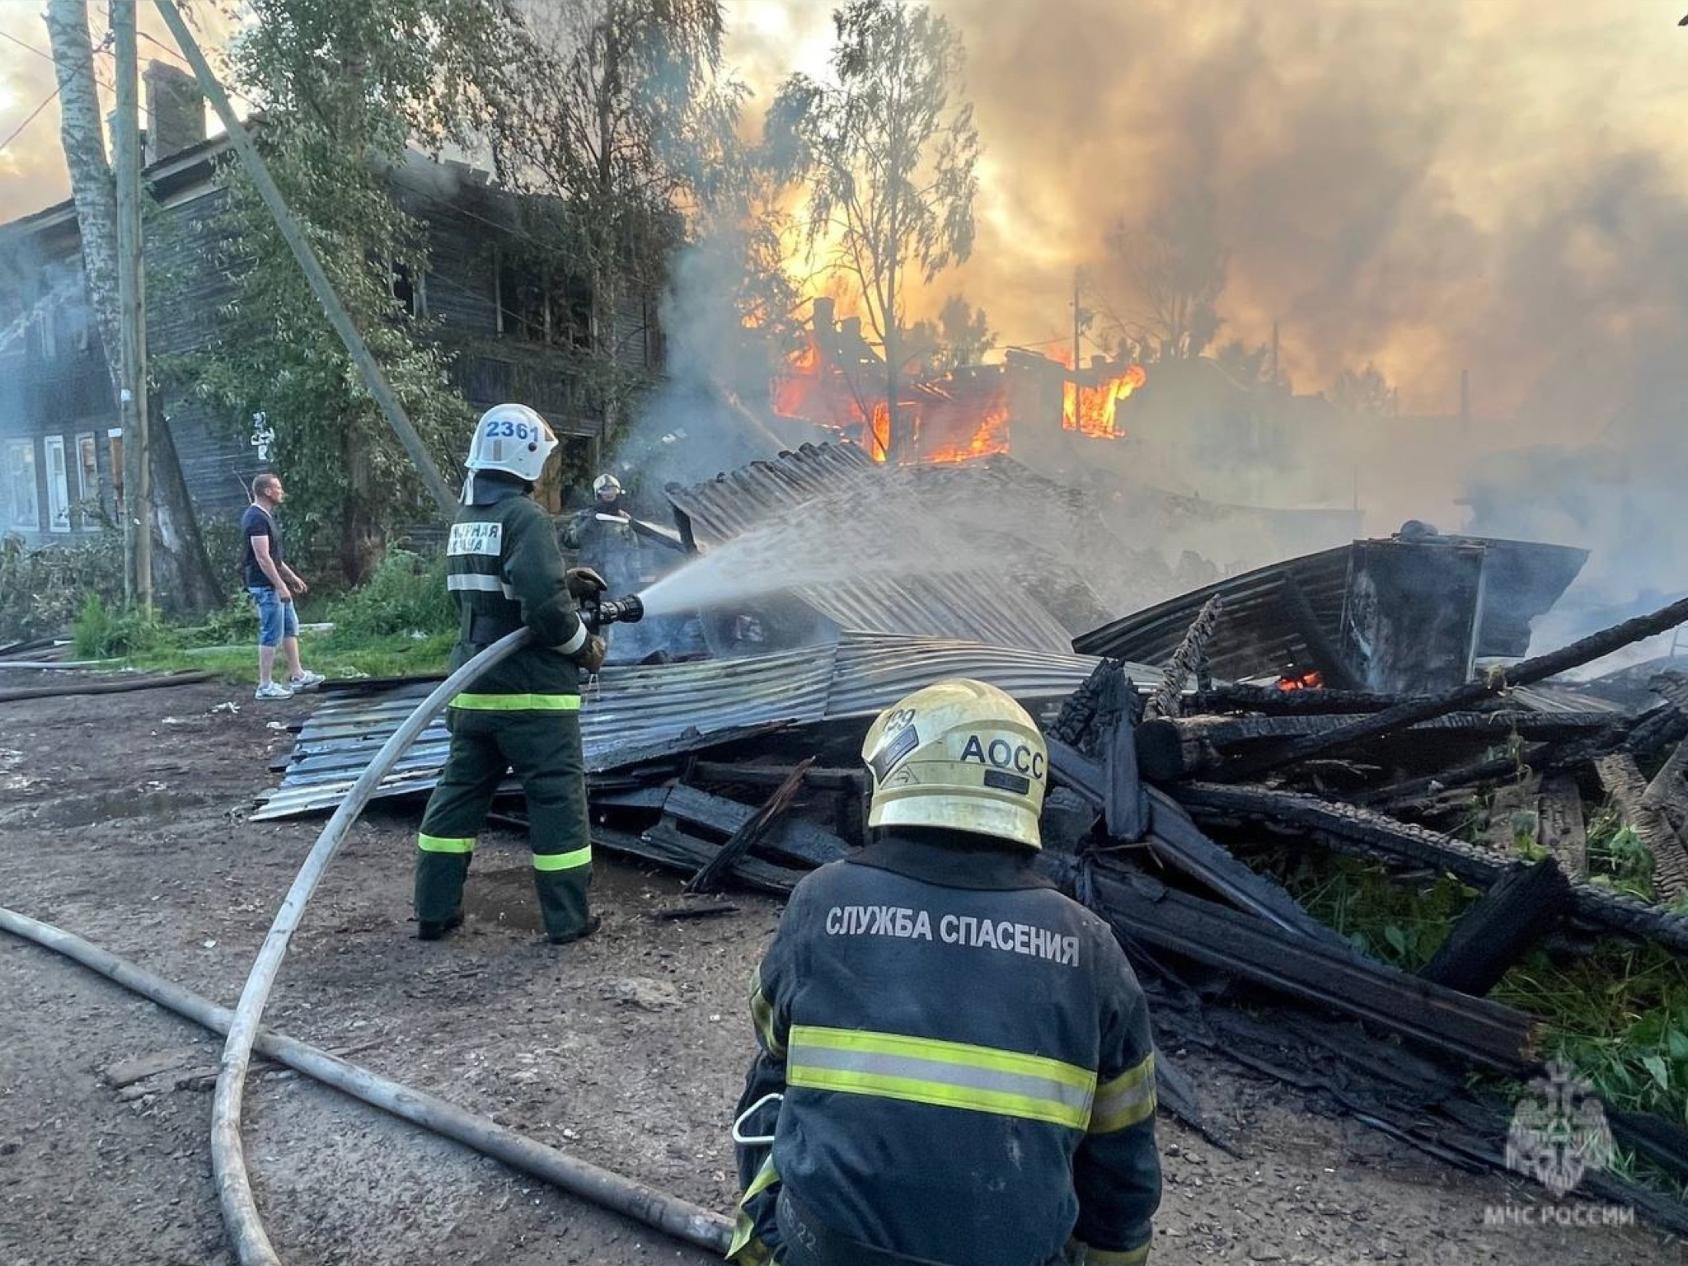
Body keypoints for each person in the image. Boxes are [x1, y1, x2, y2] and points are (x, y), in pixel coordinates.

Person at [729, 679, 1162, 1266]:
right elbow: (1123, 1155)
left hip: (829, 1253)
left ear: (896, 780)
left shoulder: (823, 901)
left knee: (774, 1077)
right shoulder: (1092, 948)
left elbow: (771, 1029)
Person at [413, 403, 609, 945]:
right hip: (532, 698)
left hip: (473, 691)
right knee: (556, 804)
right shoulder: (525, 517)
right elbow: (543, 614)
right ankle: (568, 921)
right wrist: (584, 647)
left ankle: (434, 910)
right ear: (525, 457)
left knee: (455, 800)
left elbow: (497, 589)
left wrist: (561, 578)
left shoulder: (469, 519)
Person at [242, 472, 323, 701]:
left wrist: (292, 577)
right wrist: (279, 585)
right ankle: (265, 685)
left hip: (274, 583)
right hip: (265, 586)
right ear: (267, 491)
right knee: (271, 633)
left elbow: (274, 558)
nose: (281, 492)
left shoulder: (266, 516)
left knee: (290, 628)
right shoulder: (256, 518)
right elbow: (262, 556)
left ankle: (297, 675)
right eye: (277, 488)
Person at [559, 473, 644, 595]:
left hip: (618, 583)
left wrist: (634, 579)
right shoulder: (584, 518)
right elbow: (571, 541)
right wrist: (589, 524)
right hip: (589, 582)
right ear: (597, 493)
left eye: (612, 489)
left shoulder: (624, 520)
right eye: (604, 489)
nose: (609, 493)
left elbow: (633, 551)